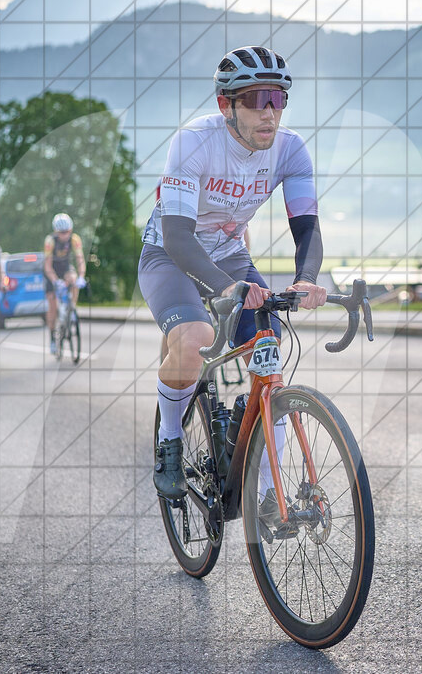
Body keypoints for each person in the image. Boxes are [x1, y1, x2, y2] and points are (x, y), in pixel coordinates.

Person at [138, 46, 325, 499]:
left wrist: (306, 278)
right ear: (226, 105)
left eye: (278, 99)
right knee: (194, 340)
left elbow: (307, 227)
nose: (270, 113)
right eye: (257, 99)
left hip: (229, 255)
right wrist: (227, 287)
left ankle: (265, 495)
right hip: (170, 254)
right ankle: (170, 439)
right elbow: (180, 237)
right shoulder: (194, 141)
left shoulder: (291, 148)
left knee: (268, 350)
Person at [44, 213, 87, 355]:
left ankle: (72, 307)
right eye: (62, 232)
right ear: (56, 232)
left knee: (74, 279)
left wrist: (81, 276)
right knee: (53, 307)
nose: (65, 235)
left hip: (65, 267)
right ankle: (52, 338)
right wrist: (56, 281)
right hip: (51, 271)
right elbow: (47, 266)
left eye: (68, 231)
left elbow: (80, 259)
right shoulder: (50, 241)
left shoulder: (74, 239)